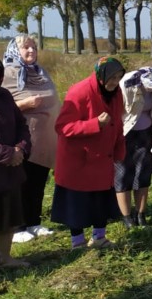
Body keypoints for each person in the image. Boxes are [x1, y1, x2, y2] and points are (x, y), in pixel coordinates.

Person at [52, 57, 126, 250]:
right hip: (79, 160)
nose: (115, 82)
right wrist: (95, 124)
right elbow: (62, 127)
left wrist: (119, 148)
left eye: (119, 77)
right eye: (112, 78)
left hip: (102, 158)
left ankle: (99, 238)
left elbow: (117, 122)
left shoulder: (116, 93)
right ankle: (77, 242)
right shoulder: (79, 91)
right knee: (77, 203)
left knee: (101, 199)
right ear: (101, 75)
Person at [1, 35, 60, 243]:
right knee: (20, 184)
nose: (31, 51)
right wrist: (25, 104)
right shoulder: (6, 74)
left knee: (38, 182)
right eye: (26, 47)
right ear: (15, 50)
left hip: (44, 140)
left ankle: (34, 222)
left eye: (34, 47)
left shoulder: (39, 71)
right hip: (20, 140)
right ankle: (17, 228)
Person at [0, 56, 33, 280]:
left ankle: (3, 258)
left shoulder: (4, 96)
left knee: (7, 215)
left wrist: (21, 148)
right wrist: (7, 154)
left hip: (10, 171)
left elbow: (21, 125)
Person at [114, 67, 152, 228]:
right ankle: (126, 217)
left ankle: (140, 214)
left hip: (146, 133)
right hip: (124, 133)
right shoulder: (127, 83)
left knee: (143, 174)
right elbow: (117, 110)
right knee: (122, 175)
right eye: (151, 88)